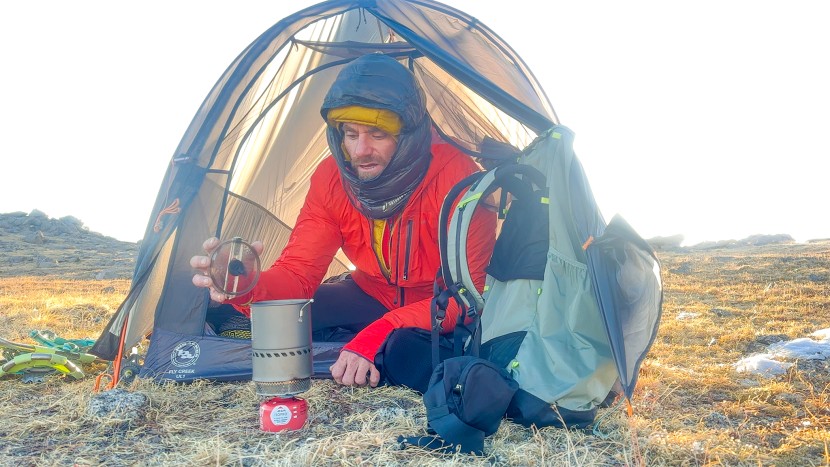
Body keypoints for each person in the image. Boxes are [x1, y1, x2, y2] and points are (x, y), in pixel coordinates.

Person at [191, 53, 495, 391]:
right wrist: (245, 284)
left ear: (408, 135)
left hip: (434, 302)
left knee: (402, 350)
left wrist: (382, 329)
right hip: (370, 293)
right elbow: (297, 273)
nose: (361, 150)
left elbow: (467, 297)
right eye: (350, 134)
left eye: (377, 134)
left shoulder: (460, 178)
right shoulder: (332, 180)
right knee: (284, 316)